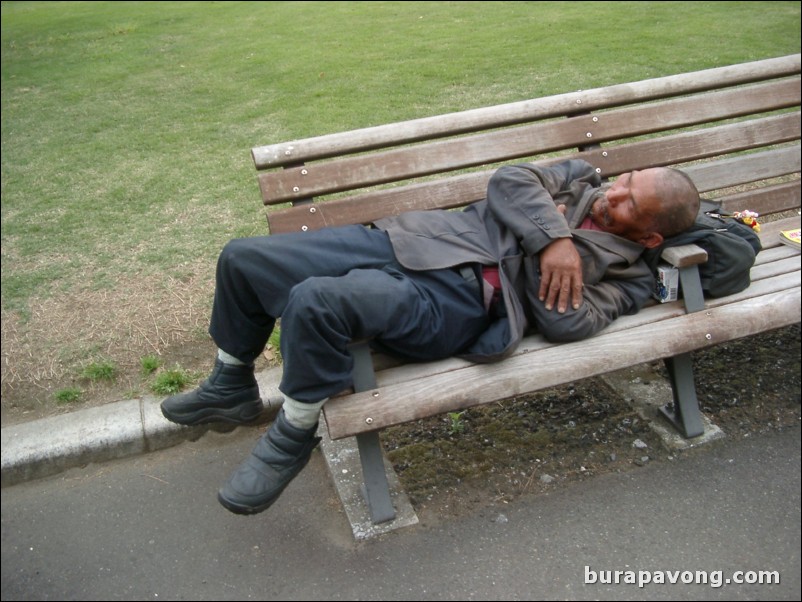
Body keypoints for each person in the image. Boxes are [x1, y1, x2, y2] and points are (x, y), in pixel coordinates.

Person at [160, 159, 700, 515]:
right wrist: (554, 236)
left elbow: (566, 321)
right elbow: (511, 180)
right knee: (243, 257)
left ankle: (294, 432)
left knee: (317, 300)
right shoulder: (581, 177)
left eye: (630, 203)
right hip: (417, 241)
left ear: (650, 235)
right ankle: (231, 381)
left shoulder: (630, 277)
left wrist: (547, 250)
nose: (614, 194)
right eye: (626, 180)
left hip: (458, 304)